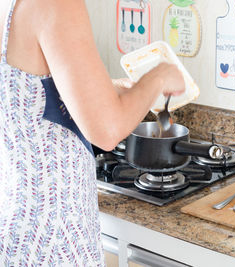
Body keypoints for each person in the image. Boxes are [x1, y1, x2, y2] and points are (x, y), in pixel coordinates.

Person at [0, 0, 185, 266]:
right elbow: (108, 132)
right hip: (57, 238)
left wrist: (104, 91)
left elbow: (25, 93)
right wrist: (159, 77)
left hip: (18, 235)